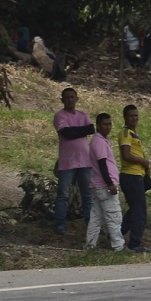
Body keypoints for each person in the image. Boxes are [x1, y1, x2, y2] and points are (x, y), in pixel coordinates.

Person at [53, 87, 94, 235]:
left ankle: (90, 224)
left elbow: (91, 129)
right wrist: (81, 130)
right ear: (62, 100)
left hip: (85, 161)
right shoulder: (59, 116)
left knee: (87, 195)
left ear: (77, 99)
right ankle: (60, 224)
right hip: (67, 162)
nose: (70, 100)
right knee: (63, 194)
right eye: (67, 97)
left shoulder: (83, 114)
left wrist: (75, 130)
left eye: (72, 97)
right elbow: (67, 134)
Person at [85, 113, 125, 252]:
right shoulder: (99, 142)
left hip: (96, 185)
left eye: (110, 124)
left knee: (96, 217)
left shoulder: (100, 140)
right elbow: (102, 165)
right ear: (98, 125)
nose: (108, 127)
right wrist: (110, 184)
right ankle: (118, 246)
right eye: (104, 124)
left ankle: (90, 245)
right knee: (114, 216)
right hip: (104, 185)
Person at [118, 104, 151, 253]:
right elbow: (126, 155)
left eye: (136, 115)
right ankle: (135, 243)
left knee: (135, 210)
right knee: (140, 212)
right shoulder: (125, 133)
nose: (134, 118)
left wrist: (145, 168)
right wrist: (143, 161)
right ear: (125, 117)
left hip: (137, 175)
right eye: (131, 115)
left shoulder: (133, 134)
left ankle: (117, 234)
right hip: (131, 175)